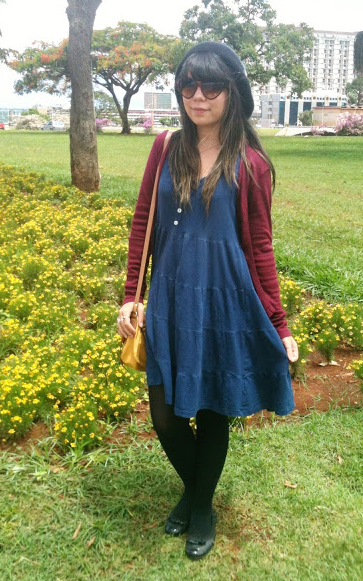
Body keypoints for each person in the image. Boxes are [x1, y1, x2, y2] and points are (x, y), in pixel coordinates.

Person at [117, 41, 298, 559]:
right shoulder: (165, 147)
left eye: (211, 86)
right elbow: (142, 221)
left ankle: (199, 507)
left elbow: (260, 246)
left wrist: (279, 324)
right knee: (165, 415)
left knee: (214, 409)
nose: (198, 96)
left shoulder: (251, 163)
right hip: (171, 296)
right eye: (188, 85)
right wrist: (131, 295)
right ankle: (197, 491)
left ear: (233, 92)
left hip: (225, 300)